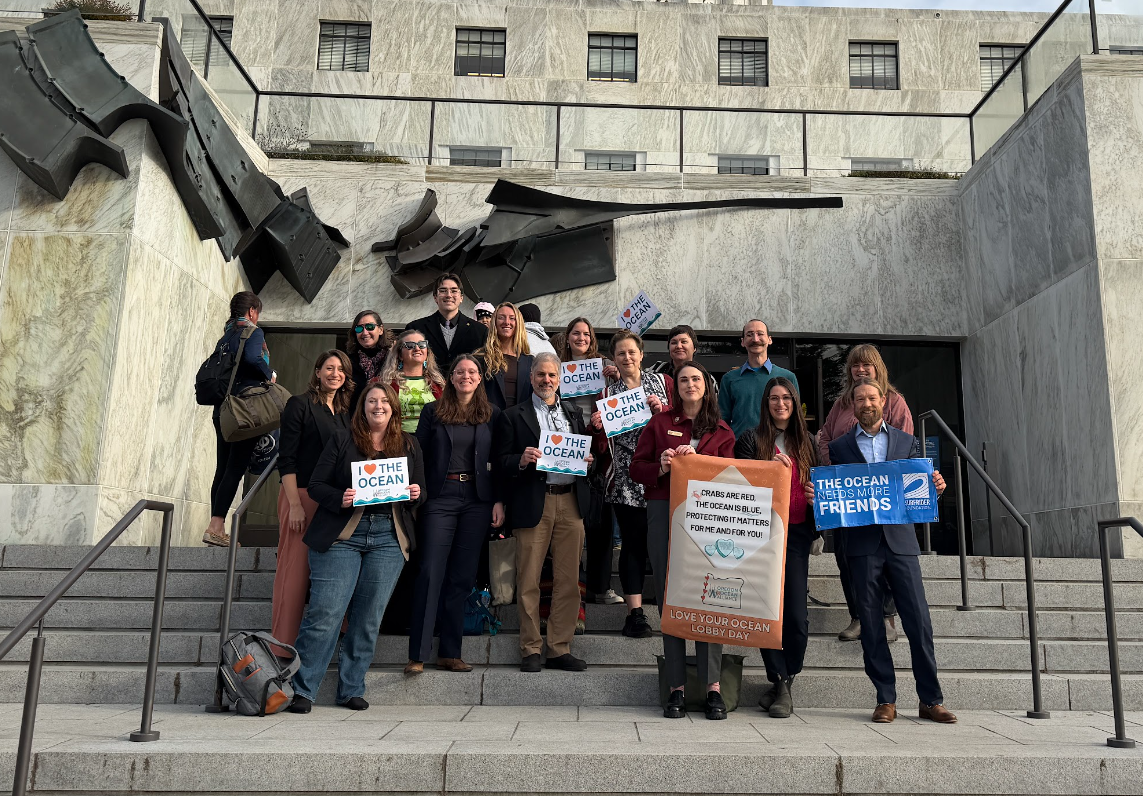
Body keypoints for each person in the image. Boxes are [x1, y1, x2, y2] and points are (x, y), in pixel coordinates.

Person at [817, 377, 955, 725]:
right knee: (872, 624)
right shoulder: (840, 447)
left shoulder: (908, 442)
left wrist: (933, 488)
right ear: (853, 406)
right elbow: (836, 494)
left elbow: (916, 491)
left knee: (919, 621)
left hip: (901, 543)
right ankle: (885, 698)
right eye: (860, 399)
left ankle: (931, 699)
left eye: (872, 398)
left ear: (883, 402)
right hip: (861, 546)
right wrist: (819, 498)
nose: (867, 404)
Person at [288, 383, 425, 713]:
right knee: (325, 614)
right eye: (371, 401)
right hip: (342, 537)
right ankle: (302, 690)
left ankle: (351, 688)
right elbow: (318, 486)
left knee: (367, 619)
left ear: (394, 408)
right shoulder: (342, 439)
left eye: (384, 401)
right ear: (362, 408)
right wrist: (341, 497)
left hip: (388, 539)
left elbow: (421, 492)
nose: (378, 406)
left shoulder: (409, 444)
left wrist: (416, 492)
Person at [630, 361, 735, 720]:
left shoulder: (722, 431)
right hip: (664, 511)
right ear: (676, 387)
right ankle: (675, 685)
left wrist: (700, 463)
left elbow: (732, 480)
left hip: (708, 520)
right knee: (670, 596)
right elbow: (635, 468)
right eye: (685, 379)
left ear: (707, 387)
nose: (691, 384)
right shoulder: (659, 424)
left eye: (697, 379)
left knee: (709, 597)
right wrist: (660, 465)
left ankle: (712, 688)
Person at [495, 353, 594, 673]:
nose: (546, 380)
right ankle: (530, 648)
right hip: (533, 499)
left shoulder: (574, 414)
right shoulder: (513, 416)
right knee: (528, 579)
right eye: (540, 375)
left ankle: (559, 647)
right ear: (531, 377)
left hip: (570, 501)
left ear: (560, 379)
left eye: (552, 375)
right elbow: (499, 463)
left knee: (568, 580)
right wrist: (521, 459)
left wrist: (587, 461)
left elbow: (584, 453)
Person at [406, 355, 505, 675]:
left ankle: (450, 652)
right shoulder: (432, 411)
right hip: (440, 499)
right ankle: (418, 654)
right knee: (430, 571)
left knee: (462, 577)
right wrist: (418, 492)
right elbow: (417, 455)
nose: (466, 376)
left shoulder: (492, 414)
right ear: (451, 377)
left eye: (472, 372)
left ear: (480, 379)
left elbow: (499, 460)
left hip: (477, 501)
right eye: (460, 371)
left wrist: (499, 500)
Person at [734, 377, 818, 719]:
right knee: (765, 612)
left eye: (786, 398)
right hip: (761, 536)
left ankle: (786, 678)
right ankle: (780, 682)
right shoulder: (750, 440)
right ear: (765, 403)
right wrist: (768, 471)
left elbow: (824, 489)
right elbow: (738, 484)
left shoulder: (810, 442)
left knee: (796, 617)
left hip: (797, 534)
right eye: (773, 398)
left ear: (795, 403)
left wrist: (818, 498)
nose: (780, 403)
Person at [819, 344, 913, 643]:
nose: (860, 370)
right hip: (848, 497)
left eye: (866, 365)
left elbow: (906, 445)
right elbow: (824, 437)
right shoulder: (842, 403)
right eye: (855, 365)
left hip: (884, 497)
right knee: (847, 557)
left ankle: (886, 619)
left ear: (877, 368)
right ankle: (858, 616)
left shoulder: (894, 402)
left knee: (885, 556)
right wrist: (829, 466)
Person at [588, 330, 671, 639]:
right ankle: (635, 614)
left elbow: (683, 419)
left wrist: (663, 410)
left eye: (631, 352)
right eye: (620, 353)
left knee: (664, 546)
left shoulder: (663, 384)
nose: (626, 358)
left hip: (664, 476)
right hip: (626, 478)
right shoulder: (607, 395)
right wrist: (597, 427)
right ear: (614, 358)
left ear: (641, 354)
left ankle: (672, 609)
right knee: (633, 546)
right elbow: (599, 445)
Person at [272, 350, 353, 648]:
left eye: (341, 369)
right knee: (294, 570)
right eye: (329, 368)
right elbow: (287, 459)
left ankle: (330, 639)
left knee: (334, 568)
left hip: (333, 499)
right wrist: (294, 504)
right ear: (317, 372)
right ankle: (281, 644)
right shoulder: (299, 404)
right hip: (302, 495)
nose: (335, 373)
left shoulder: (344, 413)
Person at [557, 317, 621, 606]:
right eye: (576, 333)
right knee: (569, 522)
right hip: (567, 447)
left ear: (592, 338)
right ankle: (572, 586)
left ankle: (599, 585)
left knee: (601, 520)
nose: (581, 338)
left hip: (599, 447)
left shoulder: (605, 367)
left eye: (586, 333)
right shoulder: (556, 367)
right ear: (567, 337)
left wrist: (616, 378)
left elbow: (621, 402)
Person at [202, 292, 274, 548]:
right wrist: (270, 375)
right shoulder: (253, 332)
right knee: (235, 467)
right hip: (243, 410)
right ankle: (216, 526)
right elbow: (254, 358)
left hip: (222, 410)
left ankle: (216, 525)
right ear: (252, 311)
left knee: (222, 467)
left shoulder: (226, 335)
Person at [718, 319, 799, 438]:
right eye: (749, 335)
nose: (755, 339)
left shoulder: (787, 377)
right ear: (743, 342)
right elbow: (722, 421)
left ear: (769, 339)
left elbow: (796, 417)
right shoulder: (729, 379)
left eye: (760, 334)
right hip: (739, 449)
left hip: (778, 448)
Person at [406, 274, 487, 365]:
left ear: (461, 298)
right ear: (435, 297)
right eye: (443, 291)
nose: (448, 295)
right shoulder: (415, 329)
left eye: (454, 291)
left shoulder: (480, 331)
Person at [380, 328, 445, 433]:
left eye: (422, 345)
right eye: (410, 345)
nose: (417, 348)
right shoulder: (385, 384)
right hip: (399, 441)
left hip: (432, 441)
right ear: (400, 355)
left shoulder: (439, 384)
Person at [477, 302, 533, 410]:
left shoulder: (530, 361)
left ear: (519, 323)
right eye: (501, 318)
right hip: (490, 421)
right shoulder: (481, 358)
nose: (507, 322)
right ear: (494, 323)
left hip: (519, 423)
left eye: (512, 318)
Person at [346, 310, 392, 412]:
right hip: (355, 419)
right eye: (359, 328)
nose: (365, 332)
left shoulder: (393, 358)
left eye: (370, 327)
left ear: (380, 330)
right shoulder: (348, 362)